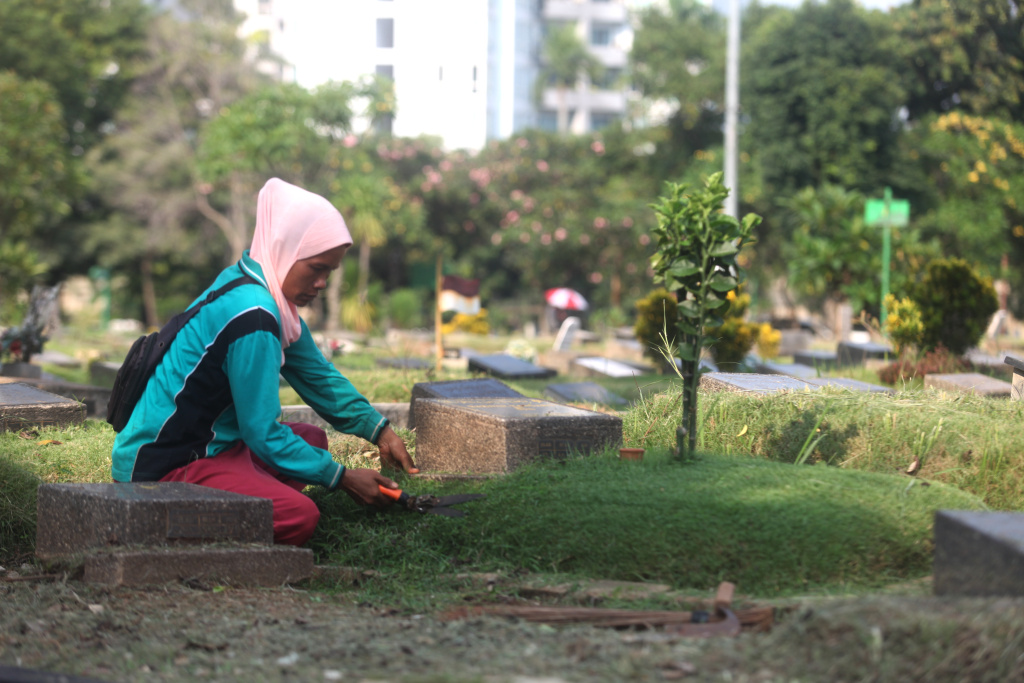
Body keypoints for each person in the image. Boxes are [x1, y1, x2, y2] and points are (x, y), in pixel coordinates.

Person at [111, 178, 418, 546]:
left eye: (329, 273)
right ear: (283, 249)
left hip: (211, 444)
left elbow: (318, 376)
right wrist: (343, 477)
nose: (321, 283)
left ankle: (242, 489)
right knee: (300, 516)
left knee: (313, 440)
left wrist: (380, 431)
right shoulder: (253, 316)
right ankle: (155, 520)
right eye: (316, 268)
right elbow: (261, 432)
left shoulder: (254, 283)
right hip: (163, 467)